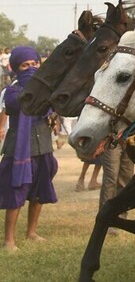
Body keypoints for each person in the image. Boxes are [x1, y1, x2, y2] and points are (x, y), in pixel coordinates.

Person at [0, 47, 58, 252]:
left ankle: (31, 232)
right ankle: (9, 240)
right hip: (19, 149)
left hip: (43, 146)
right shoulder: (12, 90)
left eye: (34, 64)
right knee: (16, 192)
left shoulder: (45, 88)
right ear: (16, 68)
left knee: (39, 191)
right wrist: (30, 87)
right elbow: (14, 105)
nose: (31, 68)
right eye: (25, 65)